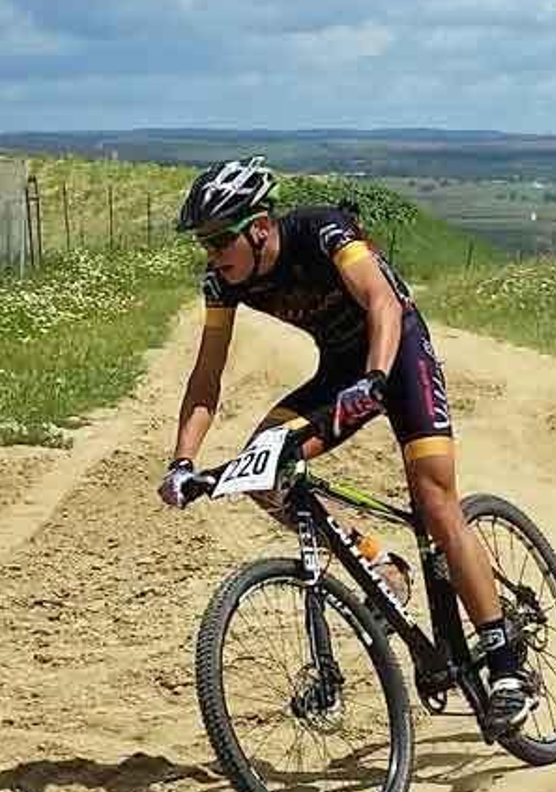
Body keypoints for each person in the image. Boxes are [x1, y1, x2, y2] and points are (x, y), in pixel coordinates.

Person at [156, 156, 536, 733]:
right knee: (267, 468)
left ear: (259, 227)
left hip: (398, 355)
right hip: (340, 371)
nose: (211, 253)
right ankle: (378, 560)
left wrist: (376, 380)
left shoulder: (323, 229)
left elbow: (382, 303)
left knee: (434, 499)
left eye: (218, 239)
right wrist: (183, 461)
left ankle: (506, 664)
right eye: (203, 243)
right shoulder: (222, 283)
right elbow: (206, 377)